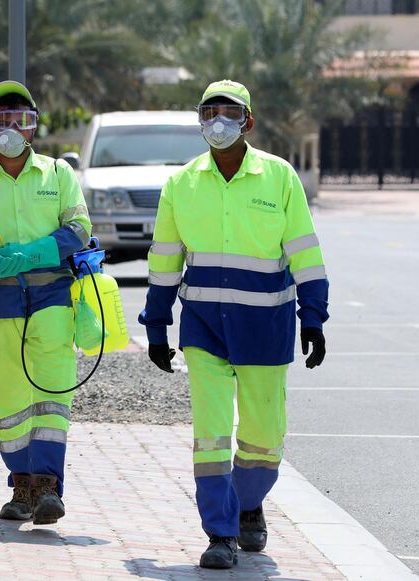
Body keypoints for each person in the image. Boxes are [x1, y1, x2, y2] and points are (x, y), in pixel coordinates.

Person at [139, 79, 328, 569]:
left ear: (248, 121)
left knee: (265, 436)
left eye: (228, 112)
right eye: (208, 112)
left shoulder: (279, 178)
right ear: (199, 120)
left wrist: (314, 318)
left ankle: (249, 503)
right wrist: (157, 325)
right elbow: (164, 259)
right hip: (203, 328)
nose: (216, 121)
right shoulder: (182, 183)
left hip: (265, 325)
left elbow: (305, 253)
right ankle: (219, 532)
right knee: (212, 433)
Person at [0, 80, 92, 525]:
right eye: (1, 120)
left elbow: (79, 229)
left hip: (52, 294)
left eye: (21, 119)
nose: (11, 127)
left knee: (51, 388)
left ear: (33, 127)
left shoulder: (58, 174)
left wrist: (34, 253)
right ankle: (22, 487)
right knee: (11, 395)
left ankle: (48, 486)